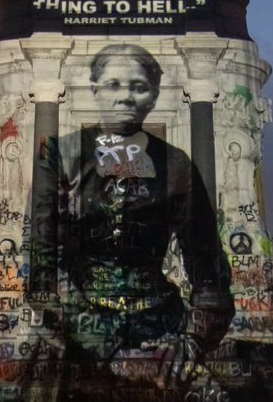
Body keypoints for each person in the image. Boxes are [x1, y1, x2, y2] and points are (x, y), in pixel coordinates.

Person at [29, 44, 232, 391]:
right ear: (95, 89)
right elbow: (42, 272)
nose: (125, 97)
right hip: (78, 341)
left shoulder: (177, 163)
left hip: (164, 337)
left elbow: (210, 271)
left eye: (138, 86)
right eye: (113, 85)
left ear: (153, 94)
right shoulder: (58, 155)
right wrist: (113, 354)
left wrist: (190, 343)